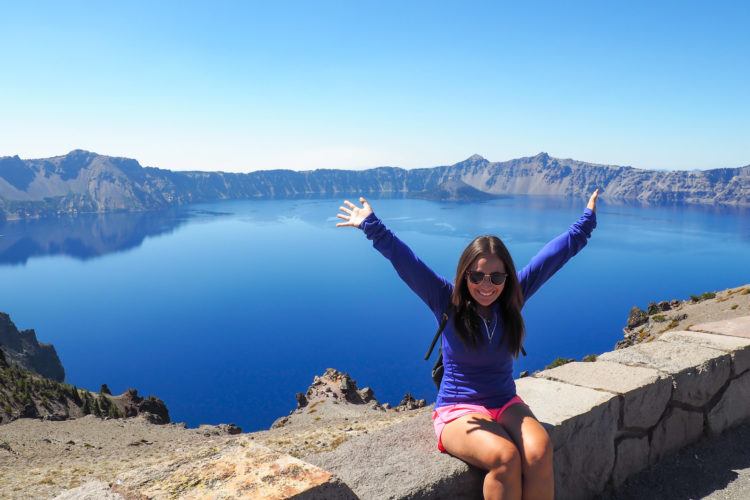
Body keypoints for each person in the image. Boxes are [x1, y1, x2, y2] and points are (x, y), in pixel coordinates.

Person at [336, 190, 599, 500]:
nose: (486, 286)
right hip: (457, 409)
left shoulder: (513, 299)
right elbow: (408, 263)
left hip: (504, 401)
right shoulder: (445, 299)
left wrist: (586, 222)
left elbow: (553, 257)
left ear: (506, 278)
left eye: (496, 277)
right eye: (477, 276)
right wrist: (371, 225)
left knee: (540, 450)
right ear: (465, 274)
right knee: (505, 458)